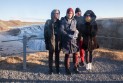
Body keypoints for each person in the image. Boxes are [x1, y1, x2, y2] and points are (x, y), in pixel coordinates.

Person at [60, 8, 80, 75]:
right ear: (66, 13)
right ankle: (67, 69)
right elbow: (61, 30)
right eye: (68, 13)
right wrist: (68, 35)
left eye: (71, 13)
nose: (69, 14)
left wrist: (76, 31)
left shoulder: (74, 21)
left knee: (75, 54)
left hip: (74, 40)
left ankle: (75, 67)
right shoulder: (63, 21)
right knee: (67, 55)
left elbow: (76, 28)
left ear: (73, 14)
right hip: (66, 40)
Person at [44, 9, 61, 74]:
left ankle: (57, 69)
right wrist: (46, 42)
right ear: (52, 14)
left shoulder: (60, 22)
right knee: (50, 56)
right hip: (51, 42)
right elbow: (45, 33)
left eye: (57, 13)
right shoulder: (48, 22)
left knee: (57, 56)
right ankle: (50, 69)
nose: (56, 14)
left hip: (58, 42)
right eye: (54, 13)